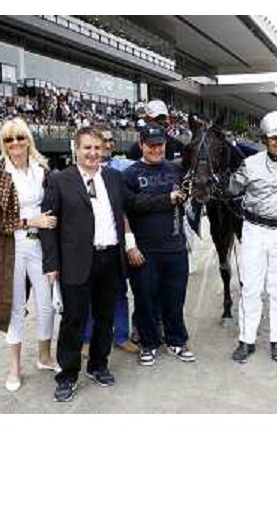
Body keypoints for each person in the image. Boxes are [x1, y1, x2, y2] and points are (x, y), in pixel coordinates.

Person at [40, 126, 184, 403]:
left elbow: (135, 204)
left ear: (103, 149)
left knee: (105, 318)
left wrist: (167, 199)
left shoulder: (114, 178)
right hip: (76, 262)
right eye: (87, 148)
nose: (93, 153)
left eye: (97, 147)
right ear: (76, 149)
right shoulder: (60, 180)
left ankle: (98, 366)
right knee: (74, 321)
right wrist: (51, 263)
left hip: (110, 259)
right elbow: (49, 225)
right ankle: (67, 376)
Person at [0, 117, 58, 392]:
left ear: (28, 140)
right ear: (3, 144)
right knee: (14, 307)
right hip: (11, 250)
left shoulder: (42, 169)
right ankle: (14, 368)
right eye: (9, 139)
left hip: (41, 246)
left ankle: (45, 356)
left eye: (20, 138)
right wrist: (30, 221)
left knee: (47, 305)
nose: (15, 143)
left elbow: (54, 206)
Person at [229, 111, 277, 364]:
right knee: (250, 287)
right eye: (274, 138)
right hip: (254, 231)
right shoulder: (250, 164)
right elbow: (230, 189)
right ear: (265, 139)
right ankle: (246, 339)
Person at [122, 123, 195, 366]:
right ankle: (149, 343)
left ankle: (176, 340)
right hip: (144, 251)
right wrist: (166, 199)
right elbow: (130, 205)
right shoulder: (130, 174)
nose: (156, 149)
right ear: (141, 145)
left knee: (175, 298)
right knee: (145, 300)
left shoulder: (177, 170)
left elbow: (190, 197)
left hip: (175, 247)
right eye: (151, 145)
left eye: (160, 145)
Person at [81, 125, 139, 356]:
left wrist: (130, 243)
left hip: (113, 245)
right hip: (86, 246)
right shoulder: (73, 175)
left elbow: (124, 209)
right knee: (87, 295)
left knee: (118, 293)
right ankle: (86, 338)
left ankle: (121, 335)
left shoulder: (120, 171)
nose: (106, 144)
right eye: (98, 141)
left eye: (108, 140)